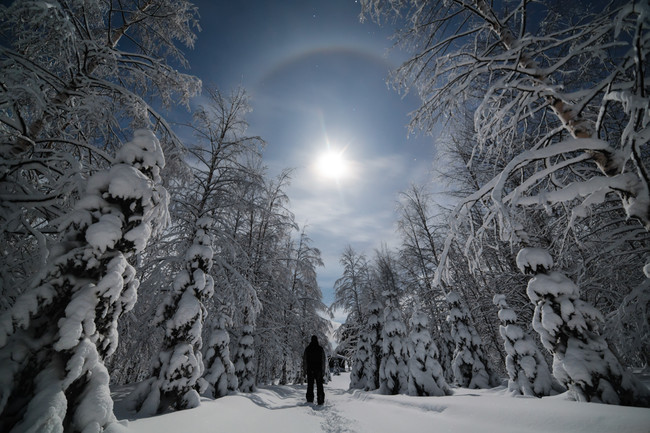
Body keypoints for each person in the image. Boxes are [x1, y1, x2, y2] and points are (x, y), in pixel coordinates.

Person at [303, 335, 326, 405]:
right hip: (318, 370)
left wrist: (305, 370)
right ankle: (321, 400)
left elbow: (305, 360)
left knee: (310, 386)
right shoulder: (320, 349)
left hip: (310, 370)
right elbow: (323, 360)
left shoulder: (307, 349)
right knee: (320, 386)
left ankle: (310, 400)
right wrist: (323, 371)